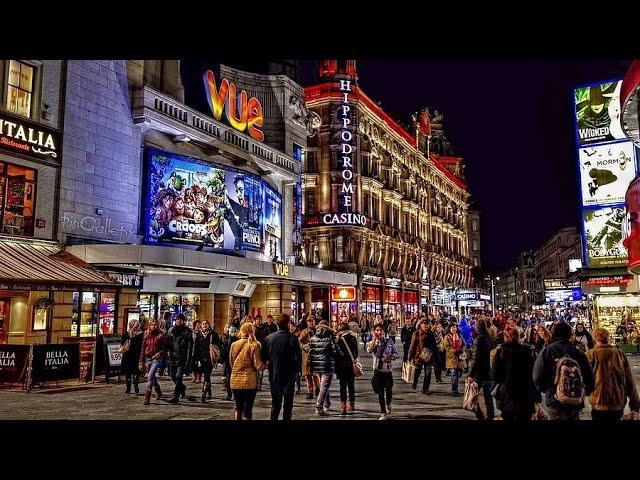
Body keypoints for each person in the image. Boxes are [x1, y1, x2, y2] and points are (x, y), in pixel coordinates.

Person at [533, 322, 595, 421]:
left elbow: (536, 376)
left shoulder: (547, 351)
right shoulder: (578, 352)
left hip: (555, 400)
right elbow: (589, 376)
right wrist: (584, 392)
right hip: (575, 399)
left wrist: (547, 389)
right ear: (569, 335)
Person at [586, 328, 640, 421]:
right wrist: (635, 405)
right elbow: (629, 380)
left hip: (598, 401)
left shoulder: (590, 354)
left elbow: (585, 379)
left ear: (594, 339)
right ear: (608, 338)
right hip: (617, 401)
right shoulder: (619, 354)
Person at [491, 324, 537, 421]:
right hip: (525, 392)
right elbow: (533, 373)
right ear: (518, 336)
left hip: (507, 392)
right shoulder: (527, 351)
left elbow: (495, 373)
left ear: (505, 337)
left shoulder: (501, 352)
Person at [262, 313, 302, 421]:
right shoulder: (293, 338)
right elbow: (298, 357)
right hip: (289, 375)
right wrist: (298, 372)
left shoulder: (269, 339)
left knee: (275, 404)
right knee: (288, 406)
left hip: (274, 374)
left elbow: (264, 357)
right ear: (288, 323)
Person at [229, 322, 264, 420]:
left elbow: (231, 363)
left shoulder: (234, 344)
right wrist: (267, 365)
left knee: (238, 407)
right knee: (247, 409)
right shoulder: (254, 345)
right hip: (249, 381)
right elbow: (258, 365)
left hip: (235, 380)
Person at [367, 322, 400, 420]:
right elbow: (369, 350)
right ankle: (383, 412)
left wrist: (389, 357)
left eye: (381, 330)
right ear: (374, 332)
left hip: (388, 370)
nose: (379, 332)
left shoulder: (389, 342)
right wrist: (374, 340)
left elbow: (396, 354)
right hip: (378, 370)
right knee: (381, 392)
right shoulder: (373, 342)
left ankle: (388, 403)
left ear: (384, 331)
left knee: (389, 389)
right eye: (377, 330)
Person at [308, 320, 338, 416]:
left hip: (316, 365)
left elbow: (310, 352)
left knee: (323, 385)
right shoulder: (330, 337)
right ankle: (319, 407)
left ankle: (326, 404)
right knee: (324, 385)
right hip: (327, 365)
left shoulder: (313, 338)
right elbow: (335, 350)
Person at [467, 319, 494, 421]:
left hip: (479, 373)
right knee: (488, 398)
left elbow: (475, 359)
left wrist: (471, 374)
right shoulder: (490, 338)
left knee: (472, 397)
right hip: (488, 372)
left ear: (478, 328)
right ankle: (490, 416)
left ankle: (480, 415)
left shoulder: (478, 340)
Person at [165, 313, 194, 404]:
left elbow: (190, 347)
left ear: (183, 321)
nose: (179, 321)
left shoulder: (187, 331)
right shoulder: (171, 330)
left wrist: (188, 361)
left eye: (181, 319)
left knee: (178, 376)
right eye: (177, 319)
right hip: (172, 358)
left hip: (182, 358)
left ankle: (175, 397)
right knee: (173, 376)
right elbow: (167, 343)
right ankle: (182, 387)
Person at [138, 319, 167, 405]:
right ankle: (158, 391)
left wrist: (159, 353)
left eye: (155, 325)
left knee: (150, 376)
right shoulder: (146, 335)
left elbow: (165, 348)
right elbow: (143, 348)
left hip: (156, 359)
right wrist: (141, 361)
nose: (153, 326)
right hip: (148, 358)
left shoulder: (161, 335)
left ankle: (147, 397)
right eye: (152, 325)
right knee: (152, 377)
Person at [335, 322, 359, 414]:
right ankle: (352, 404)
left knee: (343, 386)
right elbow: (356, 353)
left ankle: (343, 406)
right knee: (351, 385)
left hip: (341, 365)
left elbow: (337, 354)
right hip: (351, 365)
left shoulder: (339, 340)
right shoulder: (353, 338)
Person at [408, 319, 437, 394]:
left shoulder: (431, 333)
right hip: (419, 356)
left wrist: (436, 358)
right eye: (424, 324)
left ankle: (425, 389)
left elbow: (434, 346)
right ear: (420, 325)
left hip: (428, 357)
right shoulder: (416, 333)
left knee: (428, 373)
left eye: (427, 324)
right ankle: (415, 382)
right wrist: (410, 356)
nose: (426, 326)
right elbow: (412, 345)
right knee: (417, 371)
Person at [195, 320, 220, 403]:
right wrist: (196, 359)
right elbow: (196, 348)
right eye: (203, 324)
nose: (205, 325)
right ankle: (209, 391)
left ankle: (203, 394)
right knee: (207, 376)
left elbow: (218, 345)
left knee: (206, 375)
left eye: (206, 324)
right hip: (202, 359)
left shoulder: (213, 334)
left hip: (210, 358)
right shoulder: (198, 335)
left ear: (209, 325)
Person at [121, 318, 144, 395]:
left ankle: (136, 386)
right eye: (134, 326)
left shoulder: (141, 334)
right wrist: (129, 338)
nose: (136, 327)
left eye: (137, 326)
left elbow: (141, 345)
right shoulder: (127, 334)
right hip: (127, 355)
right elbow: (122, 344)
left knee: (136, 372)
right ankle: (128, 387)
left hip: (136, 356)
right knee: (128, 372)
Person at [299, 315, 319, 400]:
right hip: (306, 356)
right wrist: (304, 347)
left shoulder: (318, 331)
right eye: (309, 321)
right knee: (308, 375)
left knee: (316, 374)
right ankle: (310, 391)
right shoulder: (304, 331)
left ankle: (318, 388)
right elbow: (300, 342)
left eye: (312, 321)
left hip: (316, 355)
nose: (311, 322)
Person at [444, 323, 464, 396]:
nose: (454, 329)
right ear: (449, 329)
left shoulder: (459, 335)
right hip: (451, 358)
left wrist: (462, 350)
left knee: (458, 374)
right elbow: (447, 347)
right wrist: (455, 351)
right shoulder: (447, 337)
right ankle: (454, 390)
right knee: (454, 374)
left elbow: (463, 344)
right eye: (452, 327)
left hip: (459, 358)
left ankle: (455, 389)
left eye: (455, 327)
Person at [220, 324, 239, 401]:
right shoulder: (226, 341)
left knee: (233, 380)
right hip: (228, 363)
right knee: (229, 379)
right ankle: (230, 394)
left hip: (235, 363)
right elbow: (224, 352)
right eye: (231, 332)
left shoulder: (238, 341)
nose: (232, 333)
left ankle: (233, 394)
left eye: (233, 332)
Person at [191, 320, 202, 384]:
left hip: (199, 351)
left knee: (199, 365)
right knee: (193, 365)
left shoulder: (201, 333)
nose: (198, 326)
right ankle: (194, 377)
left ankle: (198, 378)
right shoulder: (192, 333)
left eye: (199, 325)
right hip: (193, 350)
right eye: (196, 325)